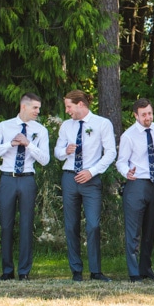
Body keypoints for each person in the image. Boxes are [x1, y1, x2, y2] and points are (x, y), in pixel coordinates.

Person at [0, 93, 50, 281]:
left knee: (26, 224)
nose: (38, 111)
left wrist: (28, 144)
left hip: (28, 179)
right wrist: (10, 143)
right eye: (35, 108)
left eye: (39, 108)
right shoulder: (3, 127)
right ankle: (7, 271)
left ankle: (24, 271)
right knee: (6, 225)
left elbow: (45, 160)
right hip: (7, 178)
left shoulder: (41, 130)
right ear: (24, 107)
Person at [54, 90, 116, 282]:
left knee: (93, 225)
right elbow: (57, 152)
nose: (67, 110)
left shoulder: (102, 124)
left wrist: (92, 171)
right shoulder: (66, 126)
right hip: (69, 178)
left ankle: (96, 271)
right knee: (71, 225)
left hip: (91, 178)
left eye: (69, 106)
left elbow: (110, 153)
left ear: (80, 104)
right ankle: (76, 270)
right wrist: (65, 151)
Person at [117, 98, 154, 282]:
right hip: (136, 184)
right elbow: (121, 162)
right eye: (143, 115)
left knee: (150, 229)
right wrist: (127, 172)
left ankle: (145, 268)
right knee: (133, 231)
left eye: (149, 113)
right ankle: (133, 273)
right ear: (135, 116)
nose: (148, 117)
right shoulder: (128, 136)